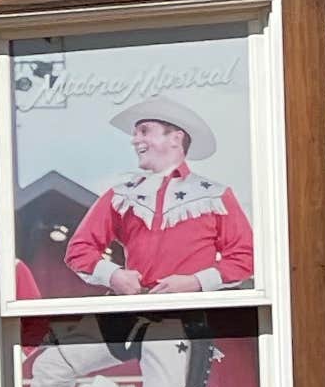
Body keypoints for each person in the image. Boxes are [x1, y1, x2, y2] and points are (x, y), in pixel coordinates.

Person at [61, 101, 255, 296]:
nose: (134, 140)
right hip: (139, 314)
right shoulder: (121, 196)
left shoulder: (215, 195)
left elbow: (246, 255)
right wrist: (114, 276)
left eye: (144, 131)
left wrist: (196, 282)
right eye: (135, 134)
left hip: (201, 315)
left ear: (176, 139)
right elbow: (79, 250)